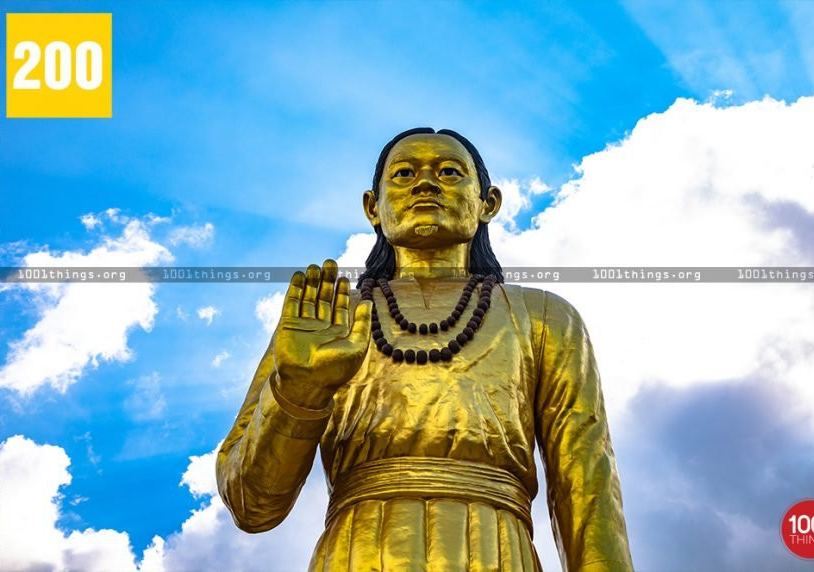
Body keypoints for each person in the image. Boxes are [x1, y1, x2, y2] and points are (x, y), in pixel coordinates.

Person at [216, 128, 634, 571]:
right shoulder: (328, 321)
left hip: (497, 551)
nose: (425, 183)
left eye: (450, 172)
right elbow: (251, 506)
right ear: (372, 207)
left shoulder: (544, 317)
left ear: (488, 202)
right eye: (404, 173)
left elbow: (588, 484)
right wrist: (297, 394)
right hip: (358, 552)